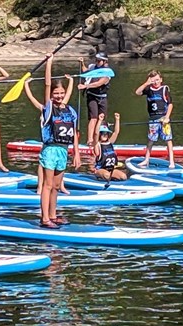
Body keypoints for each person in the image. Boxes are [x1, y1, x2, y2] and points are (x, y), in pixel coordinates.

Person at [24, 53, 80, 229]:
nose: (59, 95)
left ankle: (54, 215)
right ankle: (45, 218)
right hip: (50, 150)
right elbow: (47, 84)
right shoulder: (49, 109)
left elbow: (75, 134)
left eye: (61, 93)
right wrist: (50, 62)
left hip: (63, 150)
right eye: (56, 93)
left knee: (56, 186)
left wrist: (77, 153)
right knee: (48, 185)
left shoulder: (70, 111)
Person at [134, 69, 175, 169]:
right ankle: (146, 159)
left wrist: (167, 117)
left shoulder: (165, 89)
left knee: (168, 140)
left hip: (163, 119)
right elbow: (137, 92)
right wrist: (146, 83)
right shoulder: (148, 89)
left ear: (161, 79)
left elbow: (170, 104)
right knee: (150, 140)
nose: (155, 82)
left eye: (157, 80)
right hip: (153, 119)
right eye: (153, 80)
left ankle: (172, 161)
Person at [77, 52, 111, 146]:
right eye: (96, 60)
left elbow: (99, 83)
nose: (97, 62)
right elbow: (85, 72)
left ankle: (101, 139)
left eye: (99, 60)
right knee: (93, 118)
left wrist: (85, 86)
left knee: (102, 119)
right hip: (92, 96)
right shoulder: (93, 66)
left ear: (104, 61)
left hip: (102, 97)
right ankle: (90, 140)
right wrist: (82, 63)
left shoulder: (107, 72)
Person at [92, 113, 127, 182]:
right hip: (100, 170)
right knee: (107, 175)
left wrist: (117, 120)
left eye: (106, 133)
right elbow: (96, 133)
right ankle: (99, 177)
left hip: (111, 170)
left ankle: (113, 180)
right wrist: (99, 120)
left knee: (124, 176)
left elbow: (116, 132)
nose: (104, 135)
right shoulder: (97, 145)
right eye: (102, 133)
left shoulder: (110, 143)